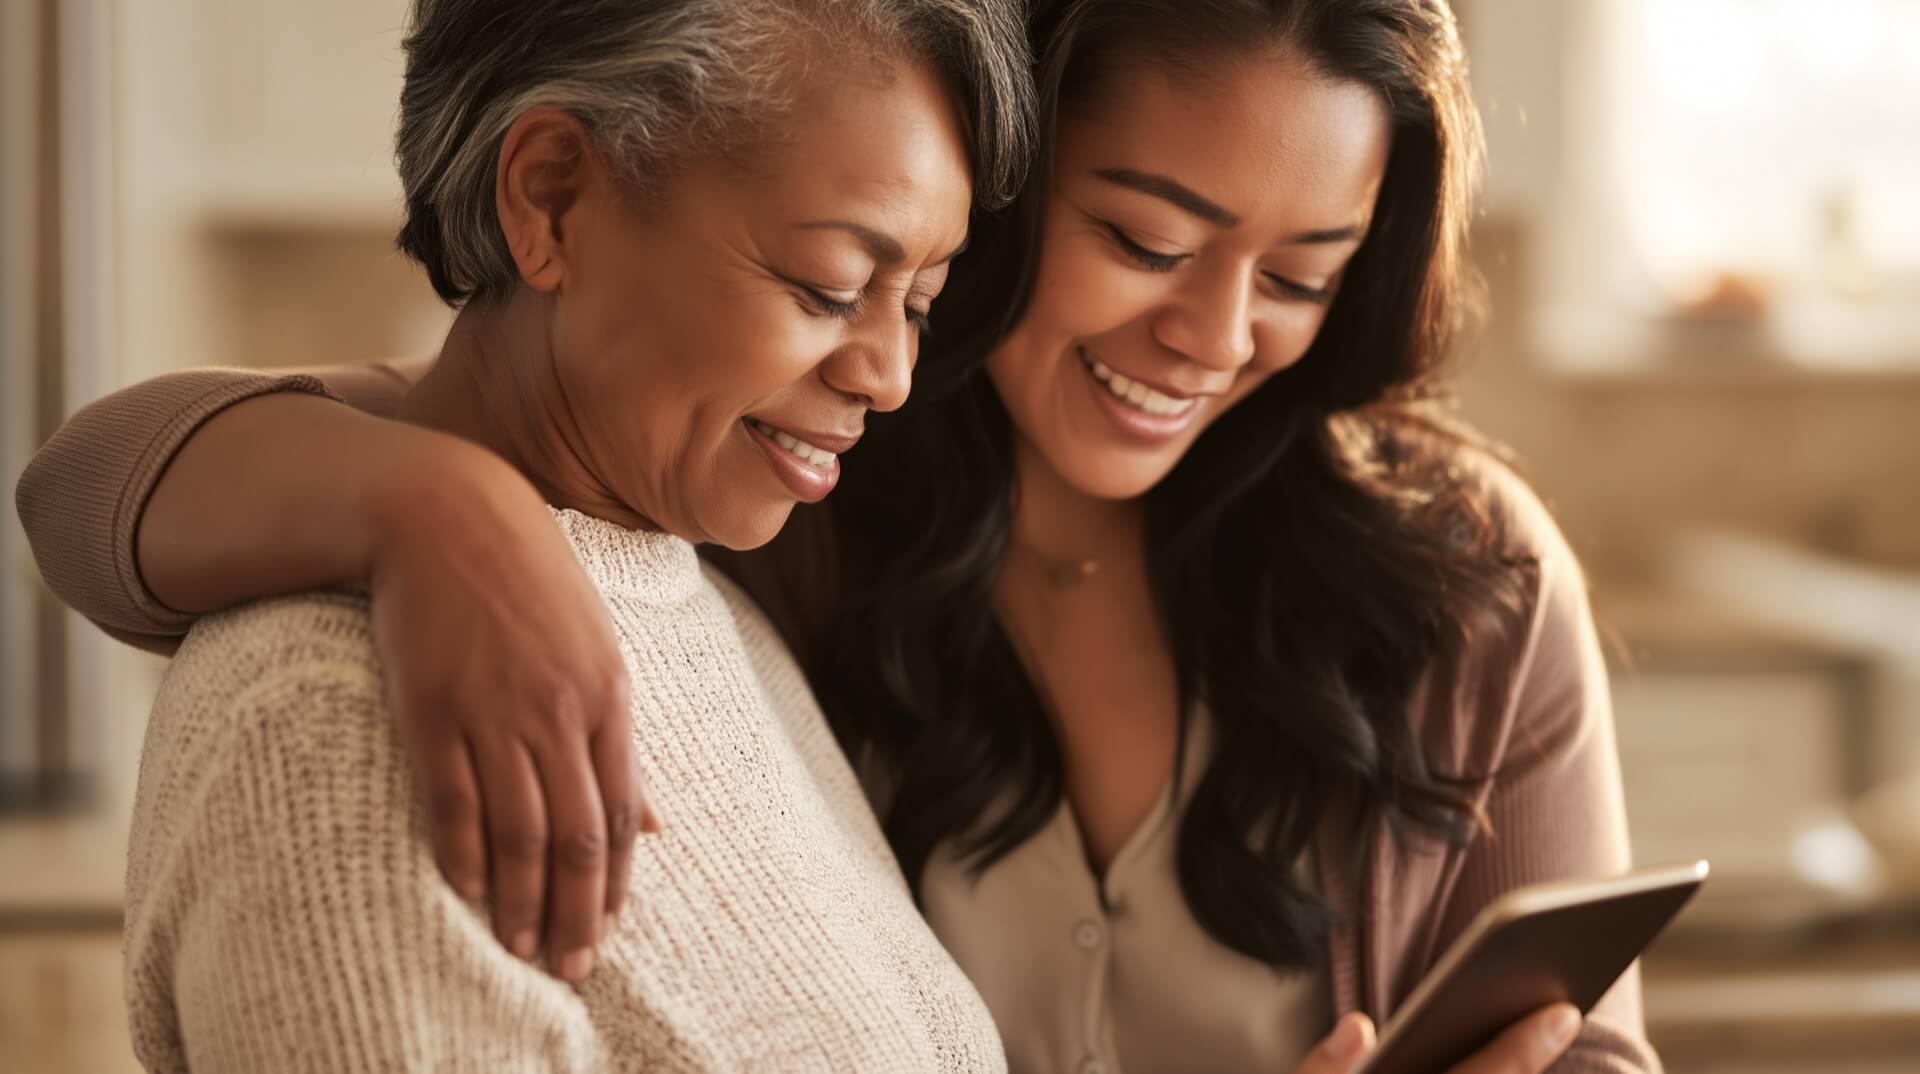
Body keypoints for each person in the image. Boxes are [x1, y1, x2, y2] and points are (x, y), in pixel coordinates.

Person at [17, 1, 1644, 1072]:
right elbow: (84, 486)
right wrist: (429, 503)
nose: (1213, 331)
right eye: (1145, 237)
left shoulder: (1461, 575)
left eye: (1300, 275)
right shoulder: (784, 497)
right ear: (1005, 186)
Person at [56, 0, 1043, 1070]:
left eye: (919, 304)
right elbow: (65, 485)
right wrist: (439, 504)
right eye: (830, 287)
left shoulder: (713, 607)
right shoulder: (337, 721)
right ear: (552, 197)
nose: (891, 377)